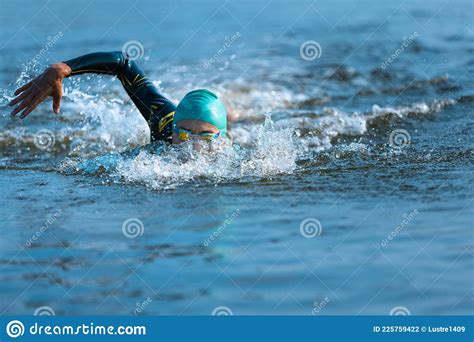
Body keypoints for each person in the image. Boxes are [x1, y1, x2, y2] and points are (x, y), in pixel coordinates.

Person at [8, 51, 228, 145]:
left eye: (207, 138)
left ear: (224, 141)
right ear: (173, 131)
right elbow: (123, 64)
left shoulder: (243, 162)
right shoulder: (165, 123)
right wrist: (65, 68)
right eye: (185, 135)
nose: (194, 147)